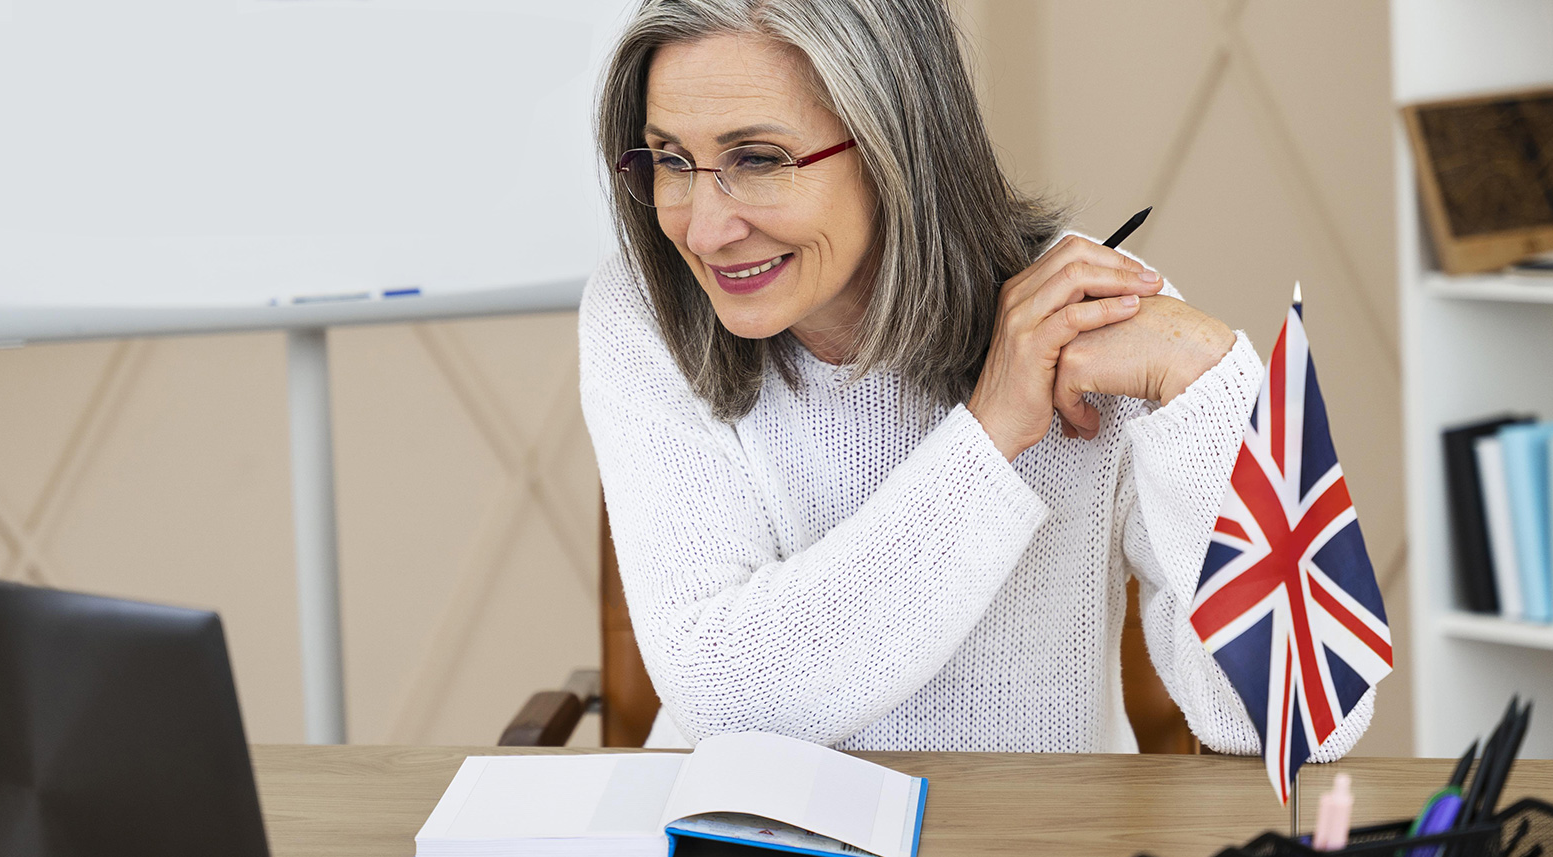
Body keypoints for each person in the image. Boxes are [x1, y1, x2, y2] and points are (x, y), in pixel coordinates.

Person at [579, 0, 1373, 755]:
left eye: (758, 159)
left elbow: (1306, 713)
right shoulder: (644, 309)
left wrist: (1211, 377)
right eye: (671, 160)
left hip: (1027, 829)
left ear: (897, 143)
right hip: (739, 825)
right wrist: (990, 436)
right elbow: (723, 696)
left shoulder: (1086, 316)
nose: (704, 229)